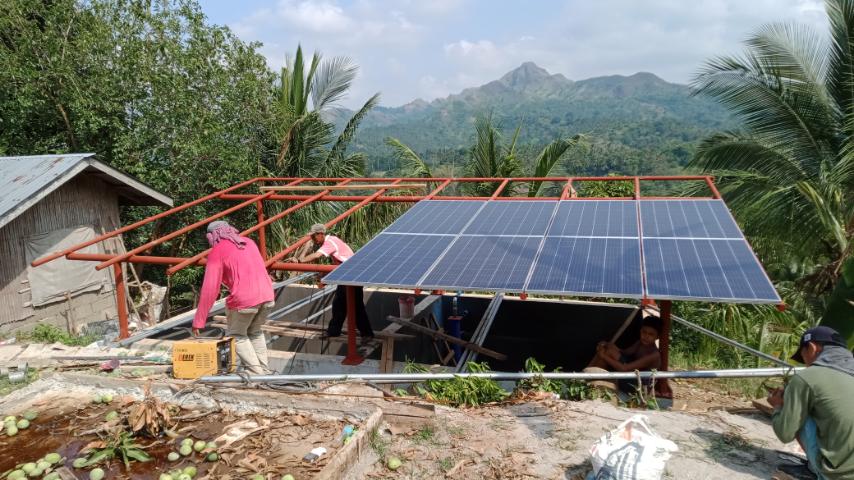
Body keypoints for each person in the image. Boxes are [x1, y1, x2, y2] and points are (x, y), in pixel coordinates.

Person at [768, 326, 854, 480]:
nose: (806, 365)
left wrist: (778, 406)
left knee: (797, 410)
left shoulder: (807, 377)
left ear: (812, 348)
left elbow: (785, 434)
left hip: (838, 476)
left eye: (803, 356)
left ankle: (814, 470)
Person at [192, 221, 275, 375]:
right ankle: (266, 372)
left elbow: (210, 288)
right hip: (267, 296)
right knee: (255, 332)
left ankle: (258, 374)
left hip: (244, 301)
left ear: (213, 235)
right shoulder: (249, 242)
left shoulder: (217, 251)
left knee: (237, 335)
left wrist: (199, 320)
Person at [295, 224, 374, 340]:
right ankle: (334, 331)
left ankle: (367, 334)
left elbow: (317, 255)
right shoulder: (332, 240)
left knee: (356, 306)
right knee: (339, 304)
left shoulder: (330, 242)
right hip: (346, 276)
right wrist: (325, 277)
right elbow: (337, 264)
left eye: (313, 236)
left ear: (321, 234)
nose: (312, 239)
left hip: (352, 276)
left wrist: (301, 260)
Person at [587, 316, 662, 393]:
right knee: (608, 350)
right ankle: (591, 378)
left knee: (605, 355)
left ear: (657, 337)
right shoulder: (640, 343)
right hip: (632, 372)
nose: (646, 336)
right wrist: (609, 345)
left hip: (639, 386)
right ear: (640, 331)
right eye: (644, 332)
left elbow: (624, 368)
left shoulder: (654, 355)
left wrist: (603, 356)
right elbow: (624, 352)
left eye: (651, 334)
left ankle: (591, 382)